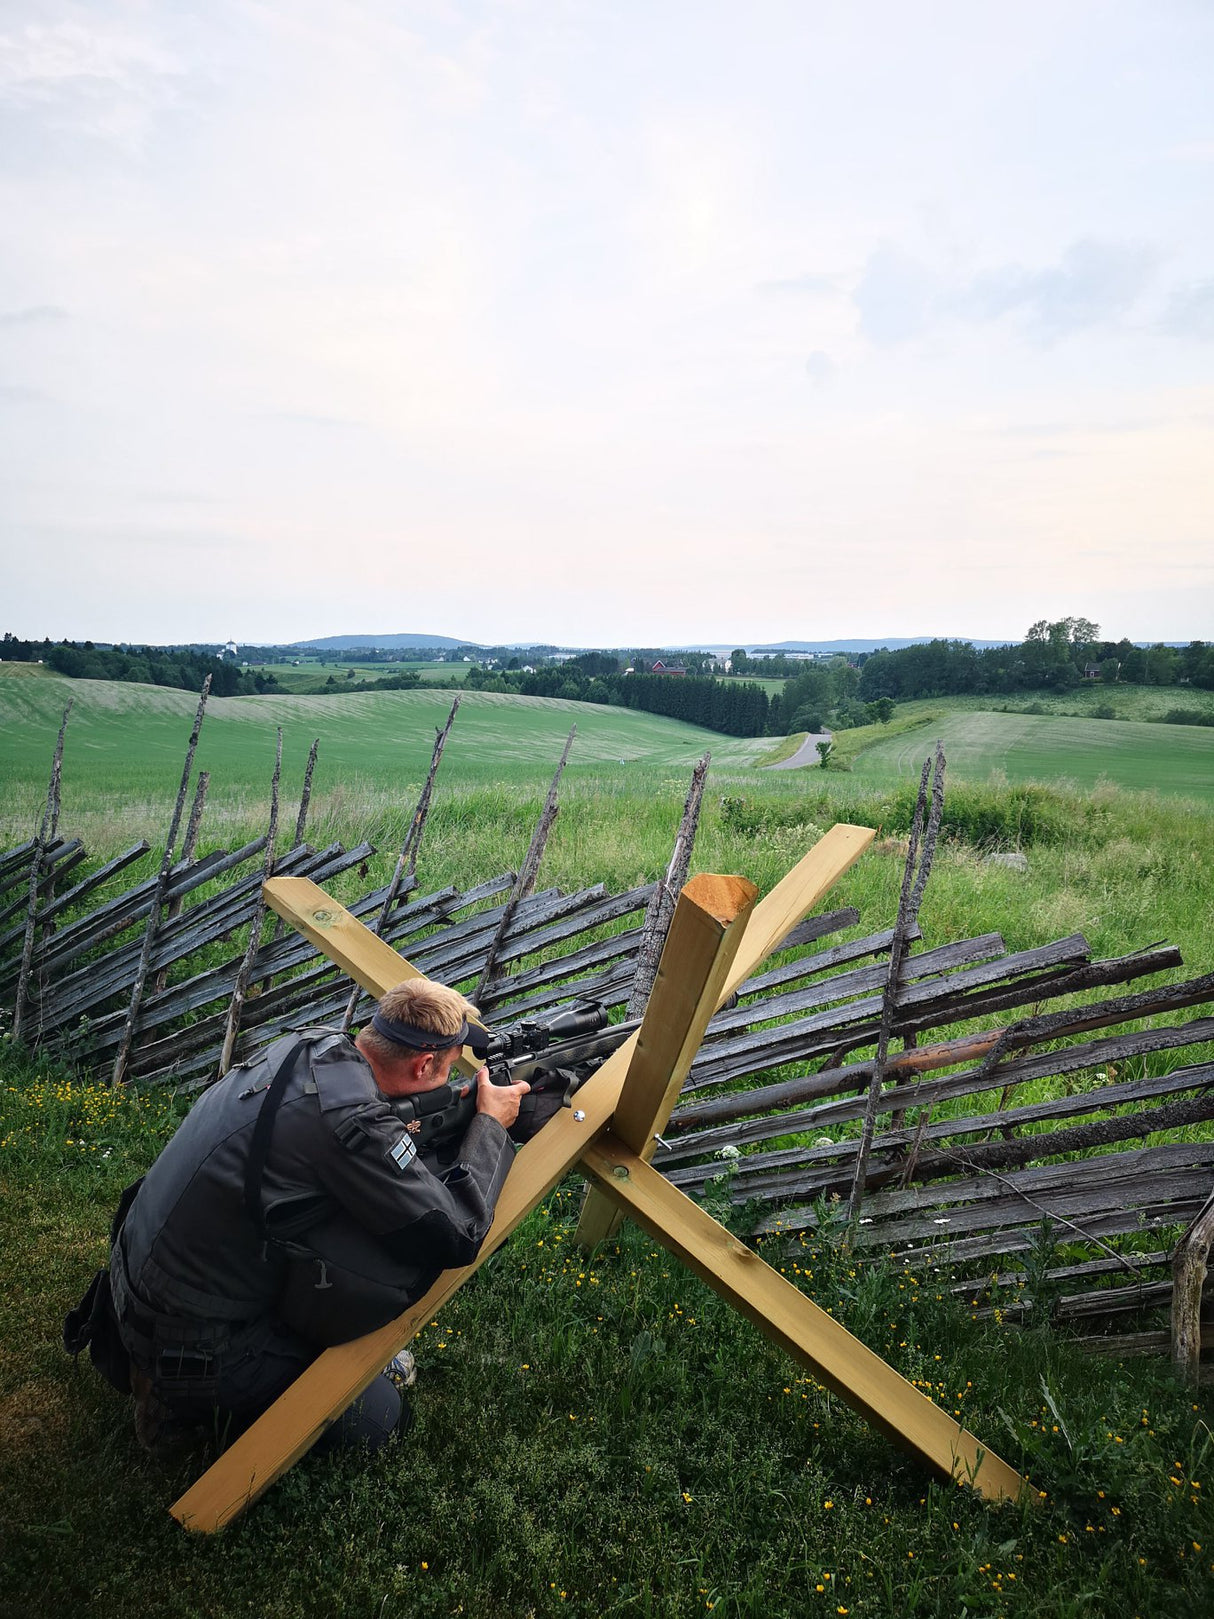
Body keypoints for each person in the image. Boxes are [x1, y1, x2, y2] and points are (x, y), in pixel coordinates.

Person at [93, 979, 528, 1456]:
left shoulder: (308, 1046)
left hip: (135, 1279)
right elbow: (456, 1234)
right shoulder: (351, 1123)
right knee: (380, 1422)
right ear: (424, 1064)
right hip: (193, 1343)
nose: (449, 1078)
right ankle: (177, 1409)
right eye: (447, 1069)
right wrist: (489, 1123)